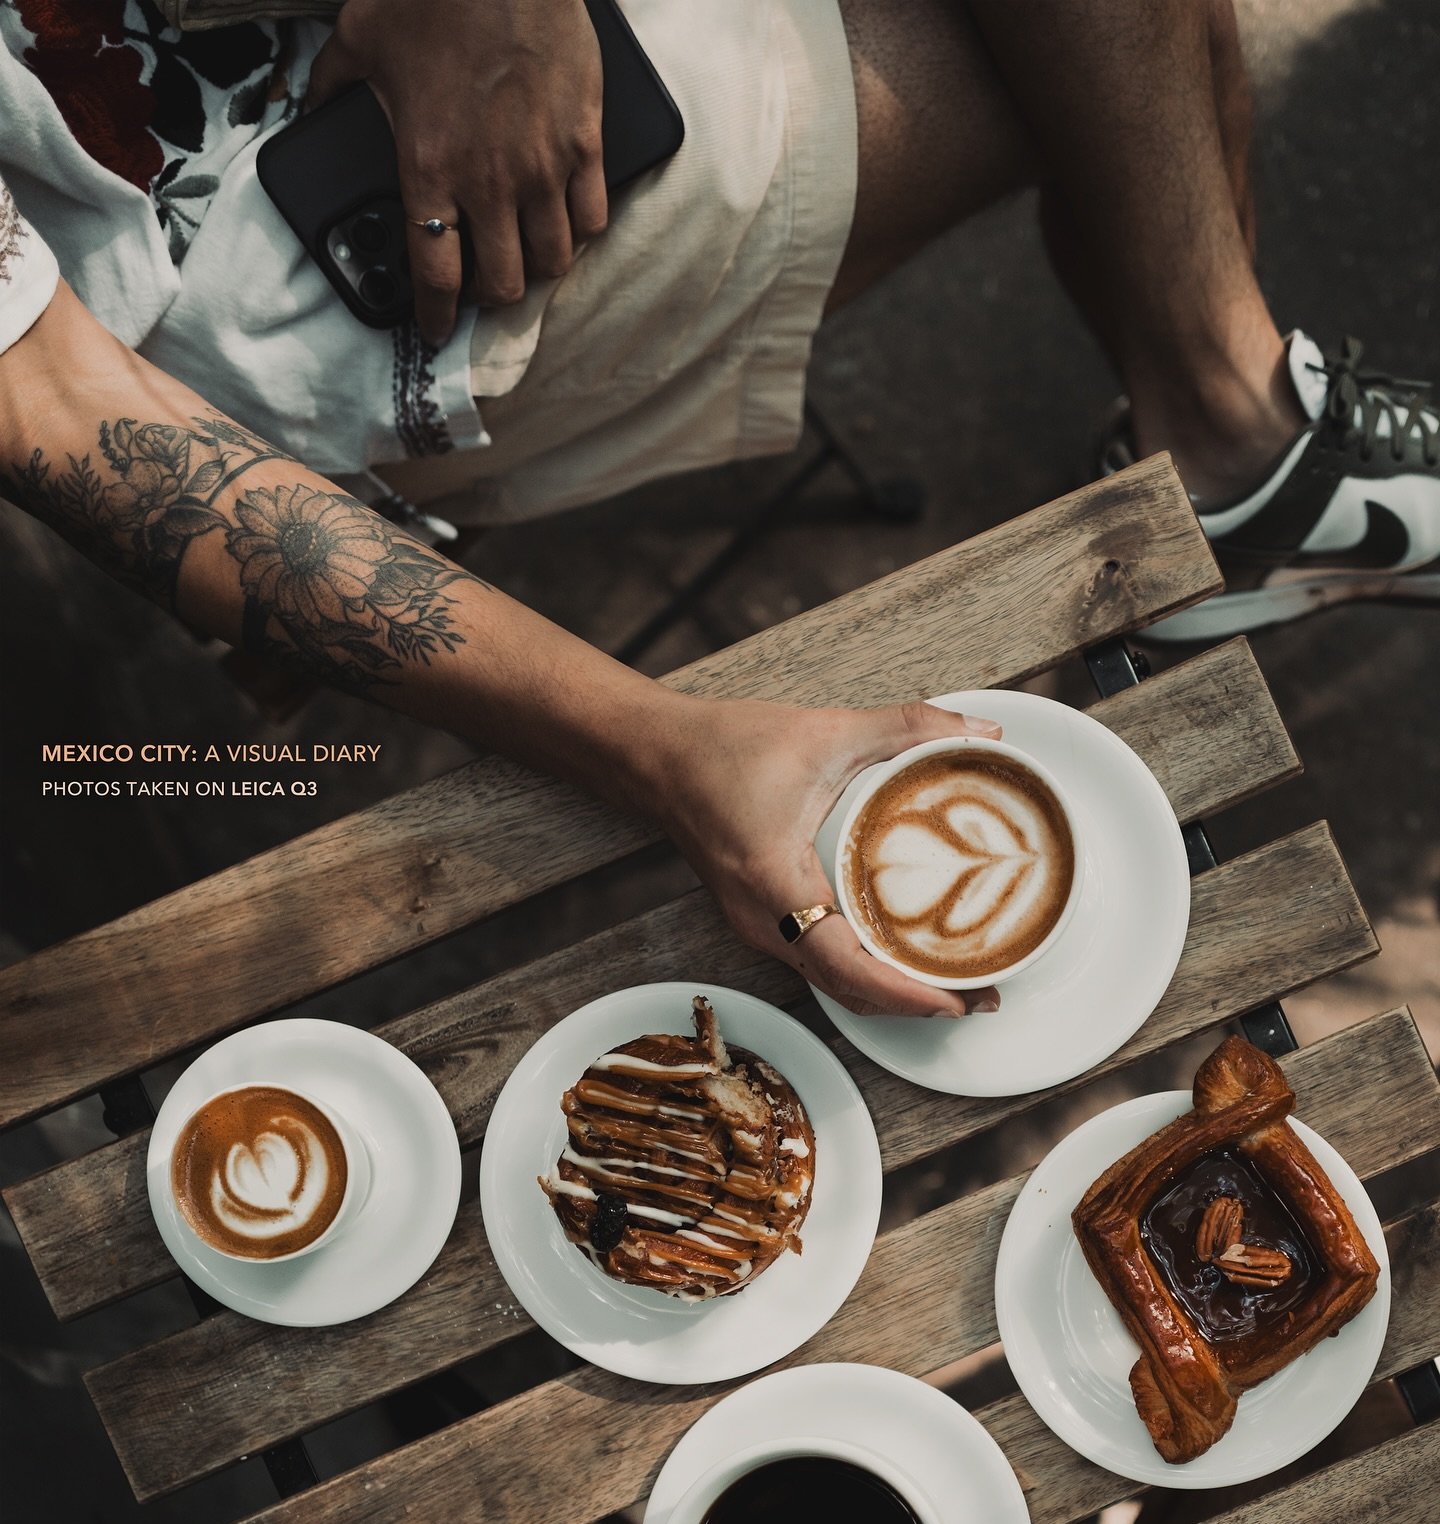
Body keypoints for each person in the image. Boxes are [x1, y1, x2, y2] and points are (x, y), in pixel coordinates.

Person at [0, 0, 1434, 1009]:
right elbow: (65, 412)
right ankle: (1238, 444)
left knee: (1122, 73)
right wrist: (672, 752)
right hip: (228, 257)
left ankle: (1236, 448)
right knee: (1099, 62)